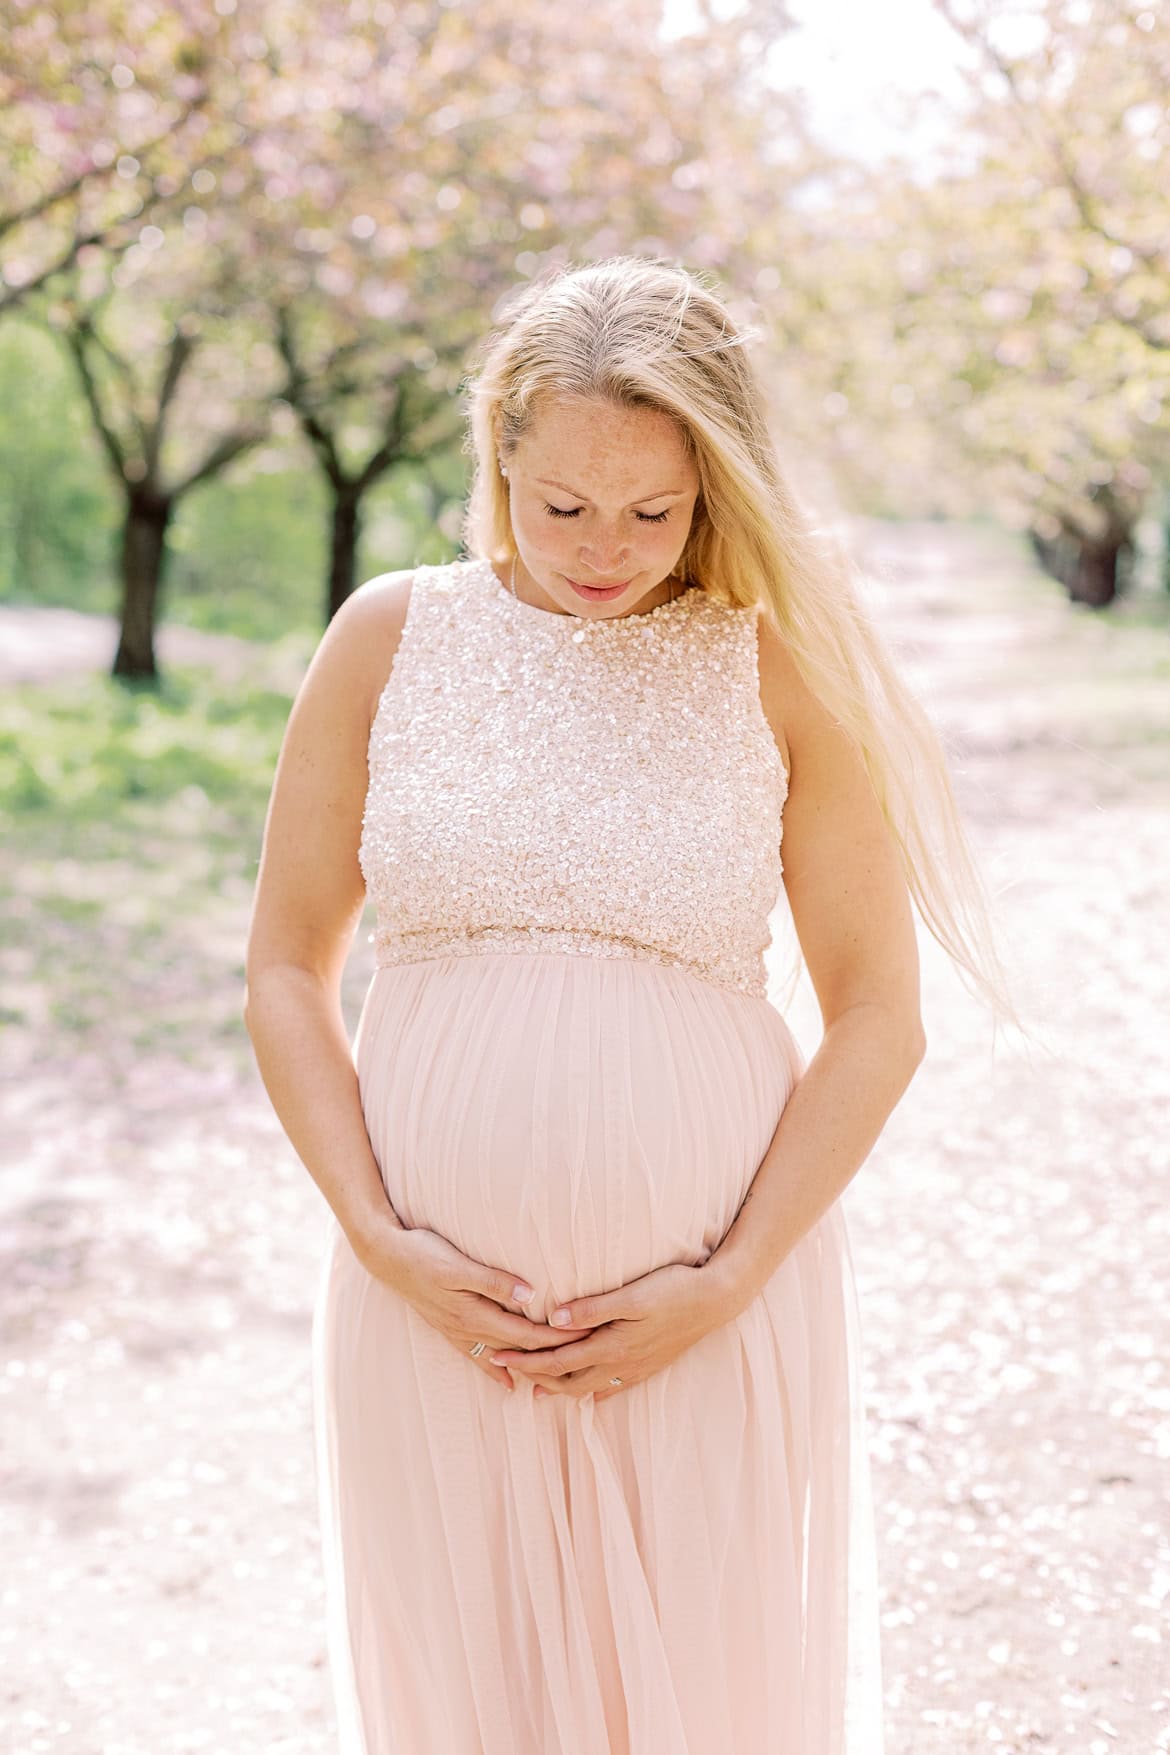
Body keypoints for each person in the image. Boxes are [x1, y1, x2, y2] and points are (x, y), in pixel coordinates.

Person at [243, 256, 1018, 1754]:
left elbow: (876, 1016)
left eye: (654, 512)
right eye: (562, 506)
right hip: (427, 1310)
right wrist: (374, 1233)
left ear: (717, 487)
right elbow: (285, 964)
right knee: (456, 1705)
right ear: (498, 458)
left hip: (706, 1311)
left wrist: (724, 1282)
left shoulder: (778, 671)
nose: (604, 548)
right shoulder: (387, 640)